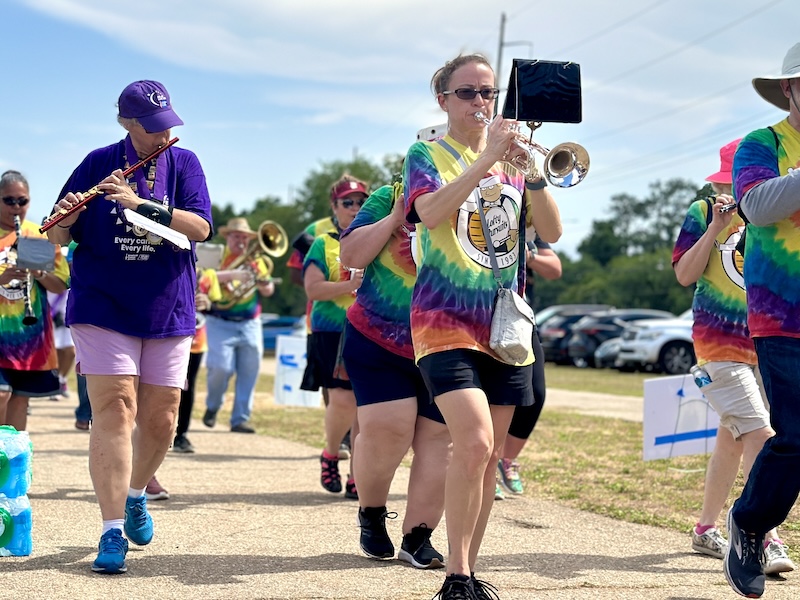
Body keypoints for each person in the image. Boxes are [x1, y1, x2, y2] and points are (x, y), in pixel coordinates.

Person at [403, 54, 561, 599]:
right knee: (472, 442)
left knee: (490, 455)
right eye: (468, 93)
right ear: (443, 99)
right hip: (444, 319)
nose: (480, 103)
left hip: (505, 326)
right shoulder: (426, 154)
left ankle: (468, 566)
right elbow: (428, 213)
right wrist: (485, 158)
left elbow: (552, 232)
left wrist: (532, 172)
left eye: (488, 93)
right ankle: (456, 575)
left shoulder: (515, 165)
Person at [46, 80, 212, 575]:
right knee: (116, 408)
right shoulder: (98, 161)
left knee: (162, 417)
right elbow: (57, 234)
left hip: (167, 305)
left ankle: (137, 492)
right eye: (152, 127)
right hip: (103, 303)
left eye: (168, 125)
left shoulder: (185, 164)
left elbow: (201, 228)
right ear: (126, 123)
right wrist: (65, 217)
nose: (163, 135)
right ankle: (111, 527)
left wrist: (138, 203)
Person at [672, 140, 794, 575]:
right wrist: (714, 229)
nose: (735, 190)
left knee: (734, 435)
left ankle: (706, 528)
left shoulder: (780, 213)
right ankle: (765, 535)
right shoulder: (703, 211)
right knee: (763, 435)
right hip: (718, 343)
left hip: (768, 342)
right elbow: (685, 274)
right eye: (729, 181)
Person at [340, 177, 451, 568]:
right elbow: (350, 254)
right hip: (377, 336)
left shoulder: (476, 197)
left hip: (447, 340)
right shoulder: (387, 197)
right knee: (390, 429)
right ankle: (371, 513)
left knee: (441, 439)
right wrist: (394, 215)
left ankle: (418, 537)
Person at [723, 42, 800, 598]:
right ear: (789, 89)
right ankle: (750, 523)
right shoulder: (764, 144)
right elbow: (755, 205)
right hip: (784, 316)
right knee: (797, 437)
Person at [302, 175, 367, 500]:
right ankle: (330, 453)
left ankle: (359, 473)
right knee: (343, 401)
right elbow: (312, 288)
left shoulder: (378, 239)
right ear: (334, 207)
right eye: (348, 202)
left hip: (369, 330)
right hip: (330, 331)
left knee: (365, 408)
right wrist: (348, 285)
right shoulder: (323, 242)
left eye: (361, 202)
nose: (355, 208)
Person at [0, 170, 69, 430]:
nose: (16, 207)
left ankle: (14, 463)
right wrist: (3, 278)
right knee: (1, 394)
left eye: (22, 201)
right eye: (9, 201)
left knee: (20, 399)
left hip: (29, 334)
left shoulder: (36, 235)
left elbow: (60, 284)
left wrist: (38, 272)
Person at [495, 236, 562, 500]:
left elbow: (555, 269)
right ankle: (485, 469)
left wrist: (528, 256)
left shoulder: (529, 225)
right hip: (477, 311)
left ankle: (506, 459)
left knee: (535, 393)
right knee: (492, 396)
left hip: (518, 317)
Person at [201, 217, 275, 434]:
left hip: (250, 323)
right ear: (228, 237)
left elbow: (268, 290)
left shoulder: (257, 260)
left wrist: (263, 281)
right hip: (219, 320)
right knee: (220, 369)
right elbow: (204, 277)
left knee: (249, 371)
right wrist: (232, 275)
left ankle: (240, 419)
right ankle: (213, 406)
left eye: (244, 237)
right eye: (236, 236)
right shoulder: (218, 255)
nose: (240, 241)